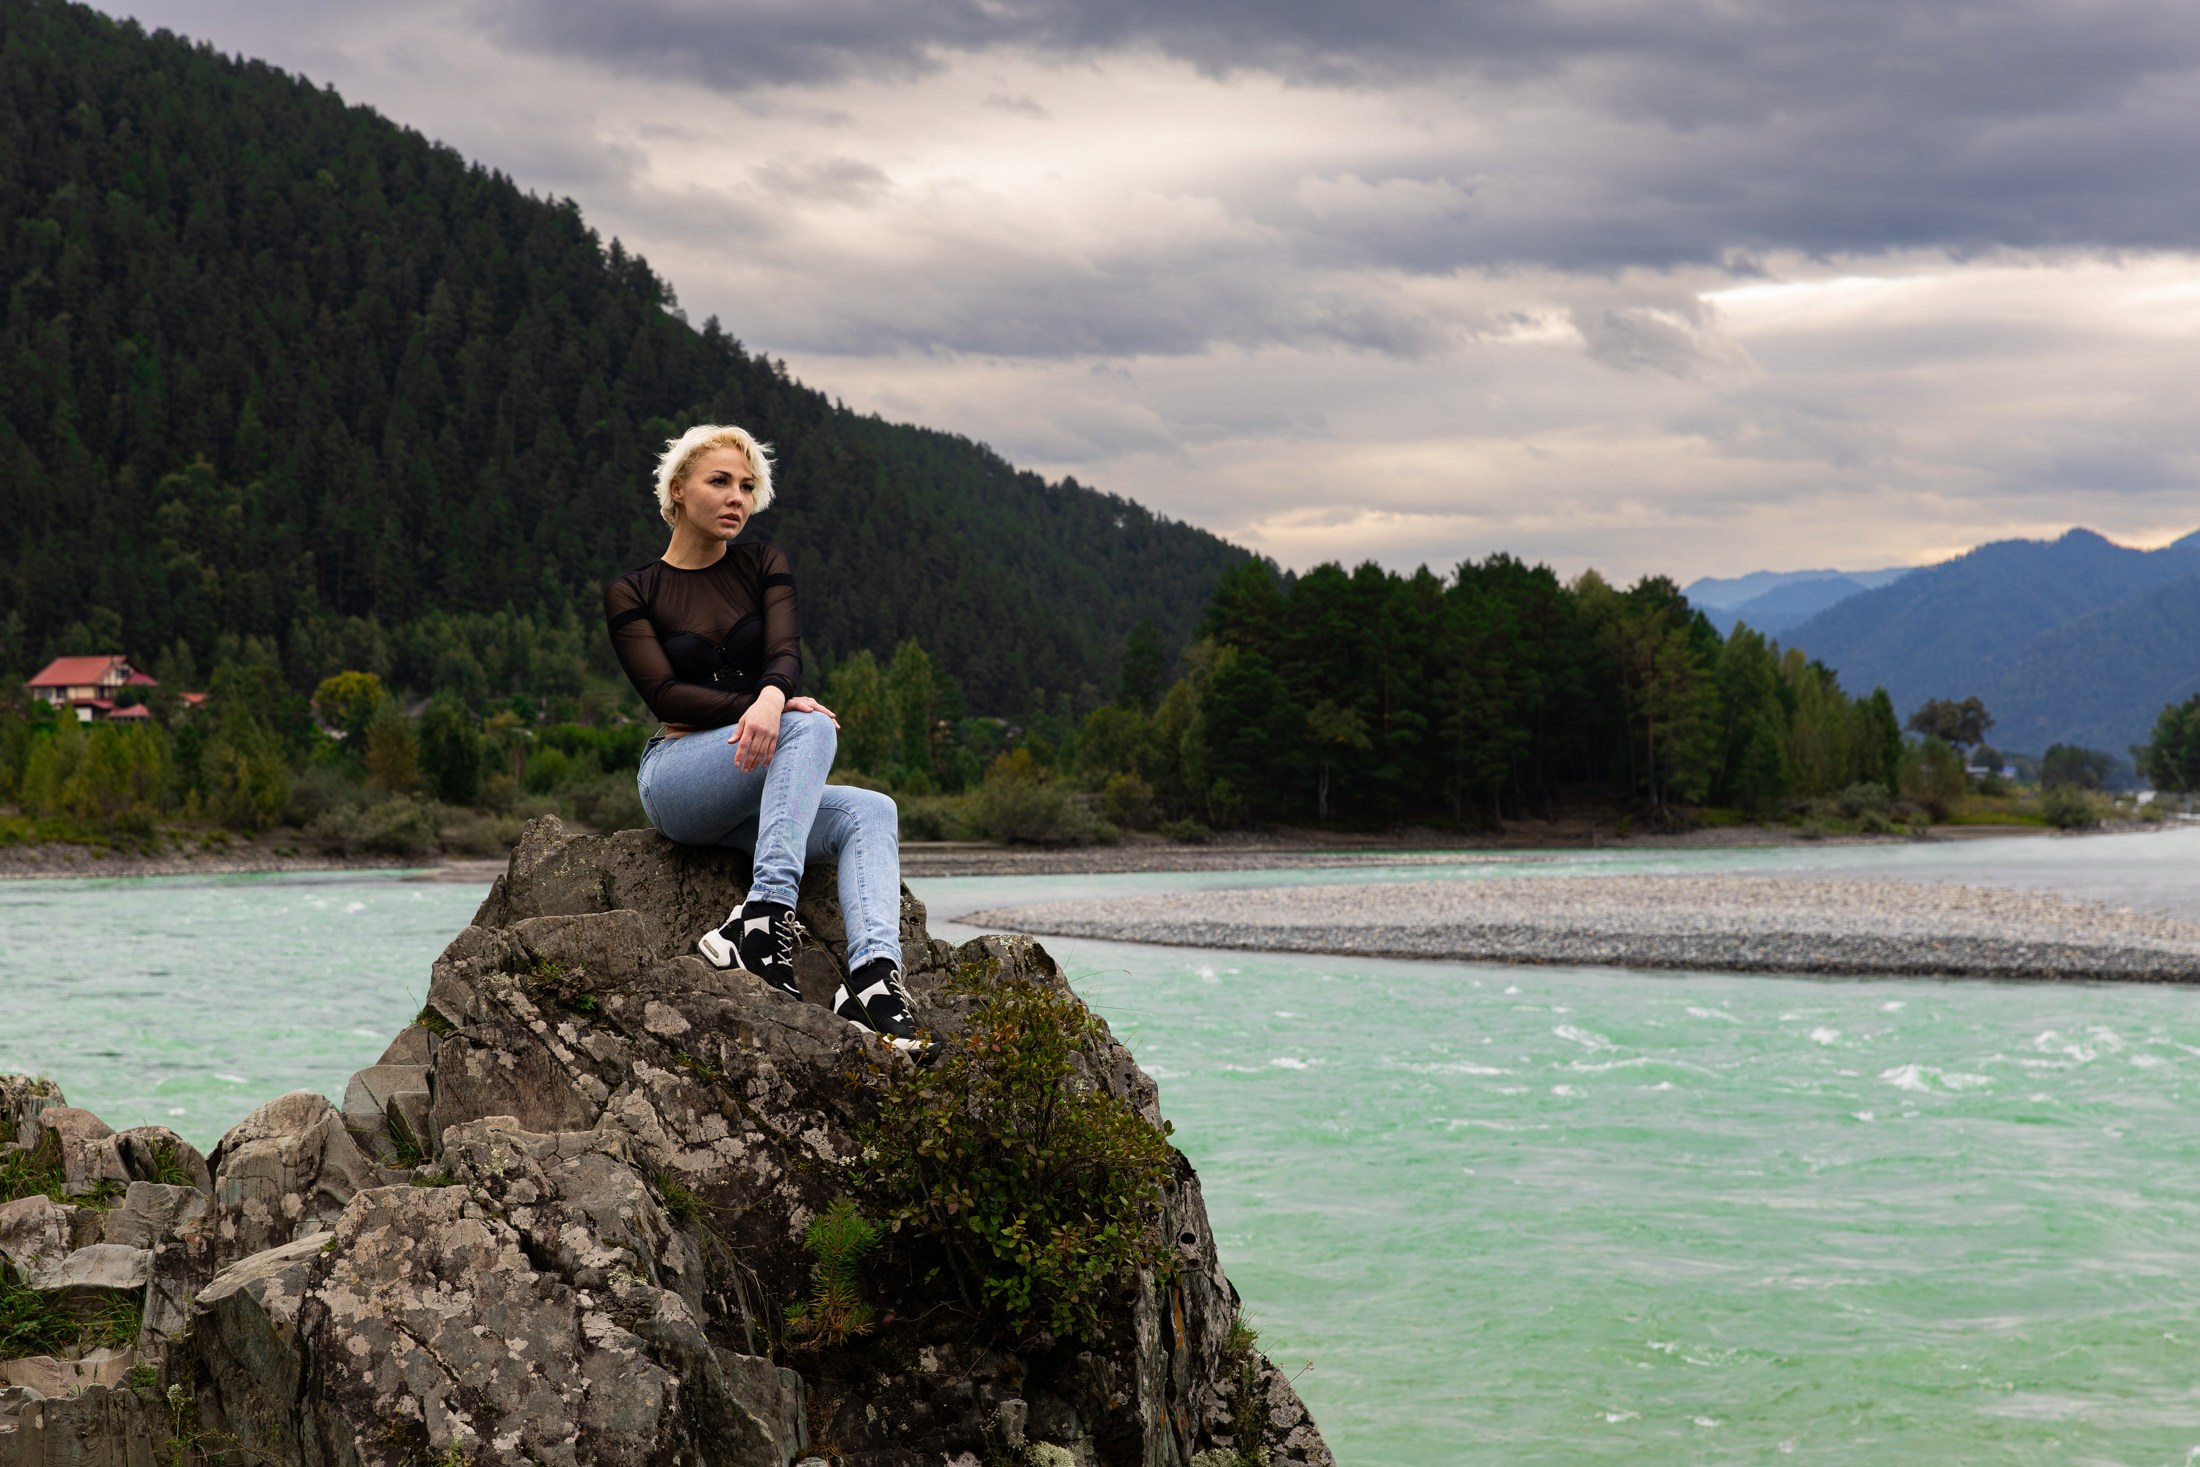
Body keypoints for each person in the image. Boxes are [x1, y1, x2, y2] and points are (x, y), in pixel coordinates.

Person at [604, 424, 922, 1051]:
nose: (737, 498)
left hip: (760, 787)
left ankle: (873, 979)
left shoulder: (762, 563)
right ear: (677, 489)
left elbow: (784, 653)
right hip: (681, 776)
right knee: (807, 724)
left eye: (747, 487)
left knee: (872, 810)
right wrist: (763, 706)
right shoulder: (633, 591)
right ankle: (766, 914)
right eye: (720, 481)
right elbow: (664, 695)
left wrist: (773, 697)